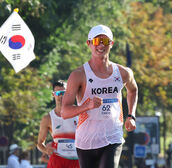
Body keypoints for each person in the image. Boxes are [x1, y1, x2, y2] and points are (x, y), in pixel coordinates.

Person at [61, 24, 138, 168]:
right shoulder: (79, 75)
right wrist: (86, 106)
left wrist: (131, 115)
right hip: (86, 141)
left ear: (111, 44)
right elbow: (64, 112)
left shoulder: (123, 73)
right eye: (97, 41)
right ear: (89, 44)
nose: (101, 46)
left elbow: (133, 90)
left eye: (105, 41)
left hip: (112, 137)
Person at [37, 80, 80, 168]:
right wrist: (46, 150)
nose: (61, 96)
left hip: (77, 159)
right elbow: (39, 143)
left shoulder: (79, 112)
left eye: (64, 92)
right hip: (57, 160)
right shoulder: (47, 118)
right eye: (58, 93)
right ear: (53, 95)